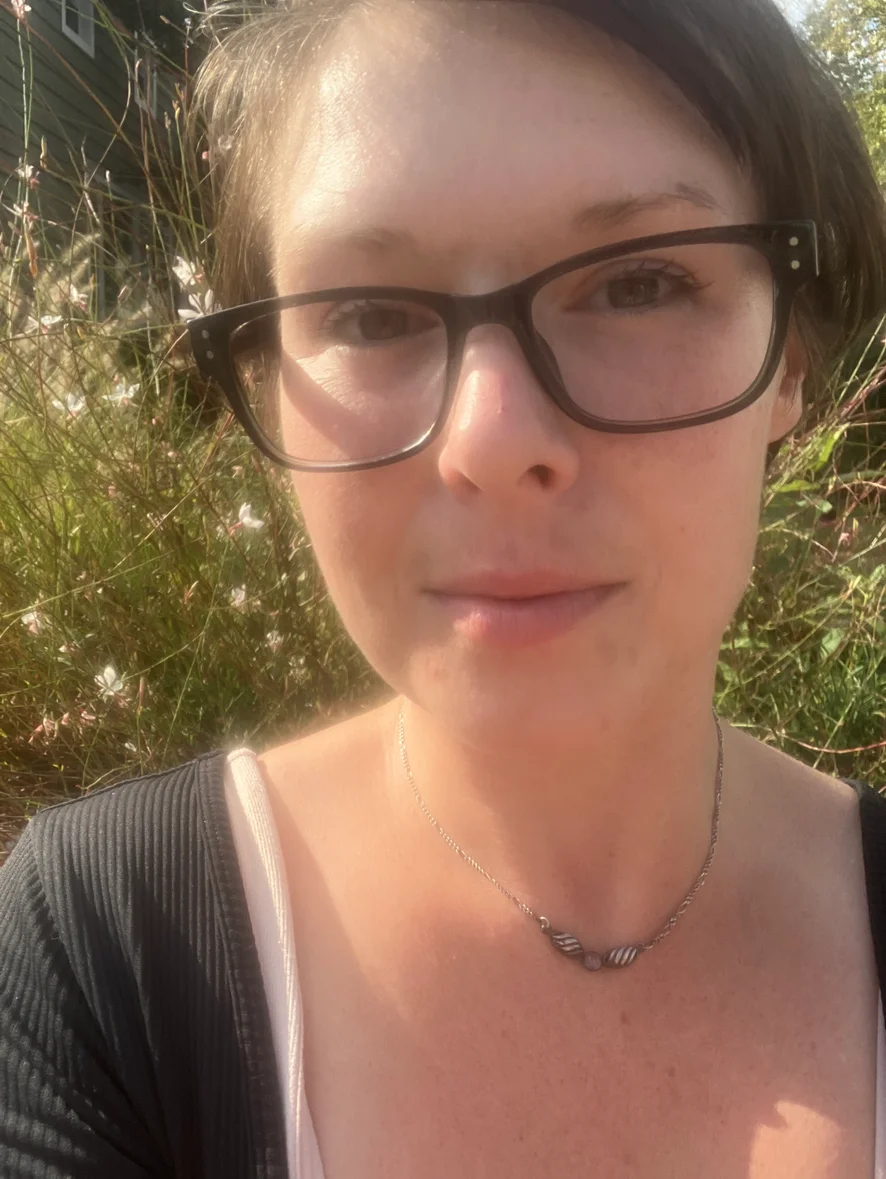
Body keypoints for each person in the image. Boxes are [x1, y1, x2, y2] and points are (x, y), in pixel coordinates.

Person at [2, 0, 886, 1174]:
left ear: (789, 361)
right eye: (370, 315)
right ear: (266, 390)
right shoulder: (105, 953)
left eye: (637, 285)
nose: (492, 439)